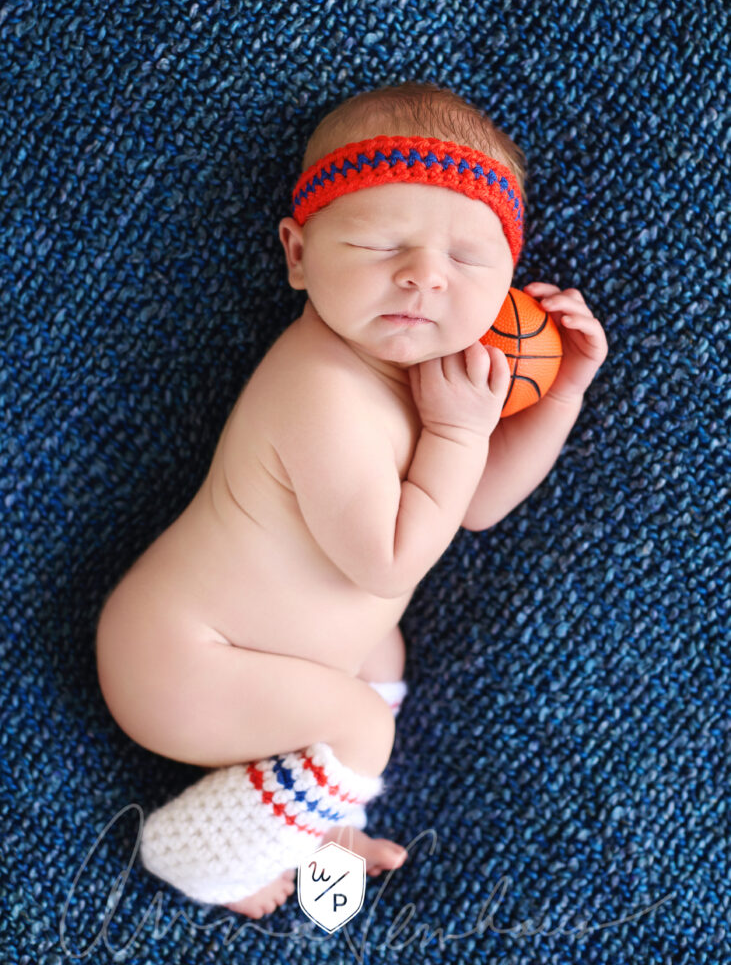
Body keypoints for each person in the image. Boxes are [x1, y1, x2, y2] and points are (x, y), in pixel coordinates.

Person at [95, 81, 608, 918]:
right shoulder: (320, 388)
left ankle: (321, 829)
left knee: (380, 661)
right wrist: (456, 432)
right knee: (361, 724)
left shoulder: (429, 379)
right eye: (377, 244)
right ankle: (203, 856)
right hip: (184, 662)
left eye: (467, 259)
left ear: (509, 279)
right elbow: (389, 560)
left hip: (274, 665)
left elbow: (473, 506)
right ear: (298, 255)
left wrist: (560, 397)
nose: (423, 278)